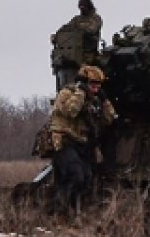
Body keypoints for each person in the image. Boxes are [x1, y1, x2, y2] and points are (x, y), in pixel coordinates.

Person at [45, 64, 117, 216]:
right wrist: (81, 93)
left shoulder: (95, 99)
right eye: (93, 85)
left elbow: (110, 118)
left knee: (87, 178)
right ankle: (57, 211)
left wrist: (104, 101)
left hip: (82, 144)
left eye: (99, 85)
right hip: (64, 142)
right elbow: (71, 111)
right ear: (84, 83)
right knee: (76, 176)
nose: (96, 89)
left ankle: (72, 212)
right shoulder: (67, 93)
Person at [50, 0, 103, 90]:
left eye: (84, 7)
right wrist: (57, 36)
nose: (82, 9)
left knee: (86, 74)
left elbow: (91, 30)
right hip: (76, 53)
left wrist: (79, 28)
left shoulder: (95, 18)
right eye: (80, 7)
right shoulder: (77, 19)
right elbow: (66, 28)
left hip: (89, 53)